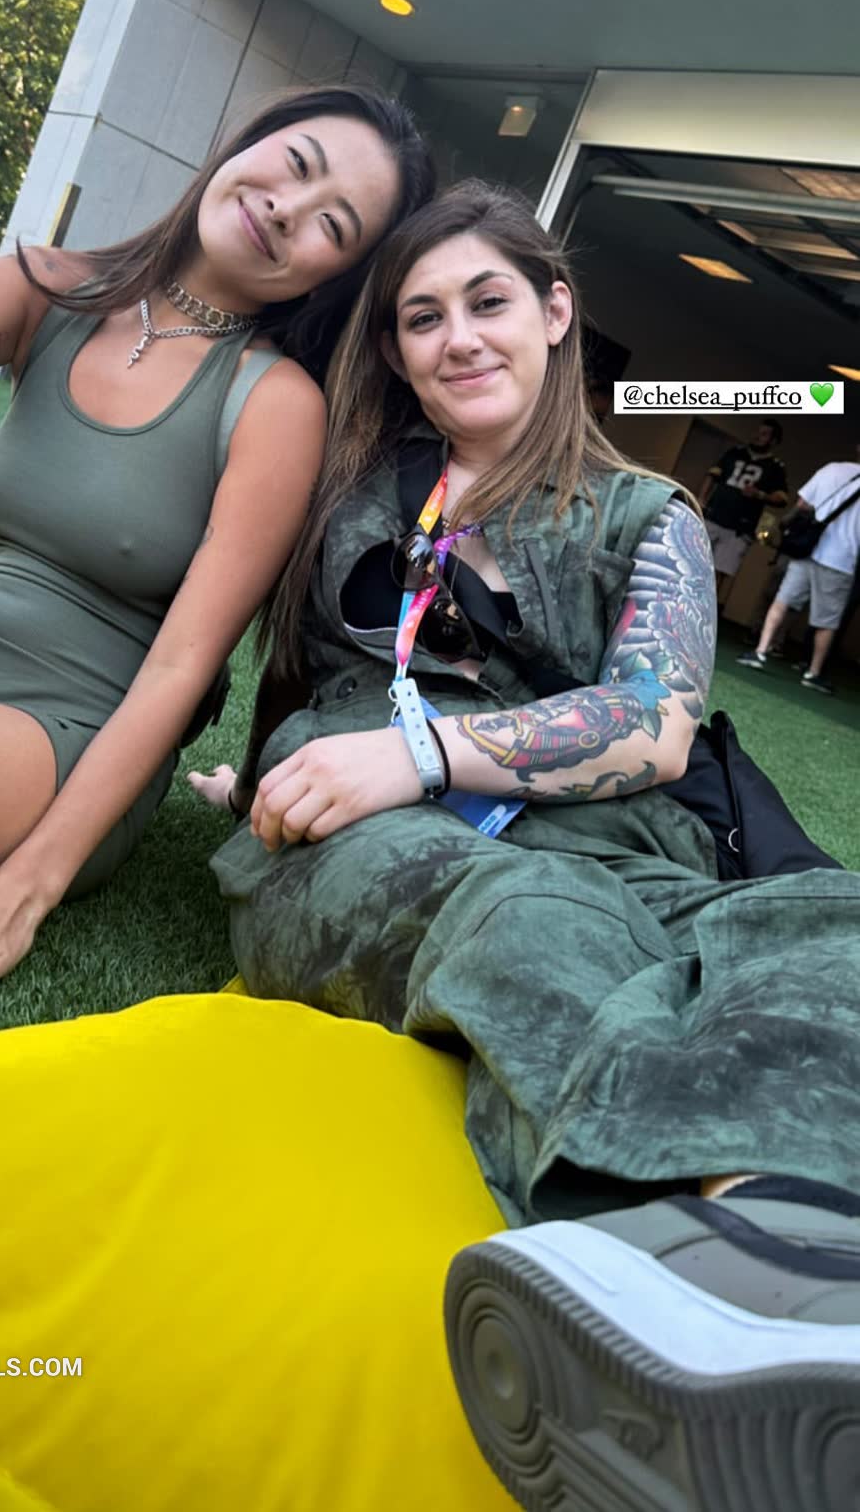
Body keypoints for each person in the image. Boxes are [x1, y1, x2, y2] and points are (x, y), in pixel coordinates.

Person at [196, 182, 859, 1512]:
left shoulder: (645, 514)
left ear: (555, 311)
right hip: (372, 833)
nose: (457, 337)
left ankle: (776, 1260)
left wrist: (431, 749)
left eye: (486, 301)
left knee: (822, 933)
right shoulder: (345, 485)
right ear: (395, 351)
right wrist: (274, 779)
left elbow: (654, 723)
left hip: (605, 831)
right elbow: (260, 654)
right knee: (532, 925)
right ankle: (670, 1289)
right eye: (420, 318)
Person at [0, 84, 434, 994]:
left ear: (334, 277)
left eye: (333, 223)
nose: (288, 209)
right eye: (296, 165)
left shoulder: (276, 406)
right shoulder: (53, 286)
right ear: (246, 143)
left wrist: (24, 888)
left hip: (53, 749)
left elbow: (180, 669)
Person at [739, 441, 860, 692]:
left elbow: (803, 503)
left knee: (782, 601)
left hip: (808, 547)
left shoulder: (832, 469)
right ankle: (813, 672)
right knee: (827, 621)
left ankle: (760, 651)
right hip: (841, 559)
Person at [698, 417, 787, 602]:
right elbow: (712, 475)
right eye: (758, 432)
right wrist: (701, 499)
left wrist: (760, 495)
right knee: (695, 559)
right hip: (713, 516)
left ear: (773, 441)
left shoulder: (775, 467)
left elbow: (782, 498)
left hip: (739, 528)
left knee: (718, 572)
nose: (758, 436)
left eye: (764, 434)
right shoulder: (735, 453)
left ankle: (704, 608)